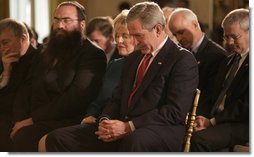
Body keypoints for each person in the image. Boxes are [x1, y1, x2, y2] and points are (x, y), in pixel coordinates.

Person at [42, 2, 198, 152]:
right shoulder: (134, 58)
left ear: (157, 29)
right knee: (59, 138)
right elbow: (117, 98)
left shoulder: (182, 59)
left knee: (134, 140)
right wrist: (105, 120)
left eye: (138, 36)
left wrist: (129, 126)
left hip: (159, 130)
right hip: (121, 126)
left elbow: (174, 111)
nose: (135, 42)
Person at [10, 1, 106, 151]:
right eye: (57, 20)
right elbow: (26, 87)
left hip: (68, 120)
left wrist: (33, 119)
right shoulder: (45, 51)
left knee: (25, 135)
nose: (60, 25)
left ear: (81, 25)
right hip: (37, 118)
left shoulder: (93, 54)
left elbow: (76, 99)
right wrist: (20, 118)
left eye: (66, 20)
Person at [38, 10, 135, 151]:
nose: (118, 41)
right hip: (100, 121)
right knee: (47, 140)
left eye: (125, 36)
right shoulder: (115, 65)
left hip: (122, 127)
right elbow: (99, 98)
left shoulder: (143, 67)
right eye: (117, 35)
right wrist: (90, 115)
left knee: (53, 138)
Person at [190, 8, 249, 152]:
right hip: (217, 119)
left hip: (241, 124)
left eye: (234, 37)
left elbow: (245, 107)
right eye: (226, 36)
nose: (229, 42)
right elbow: (212, 95)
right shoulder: (227, 60)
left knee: (198, 140)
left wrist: (212, 122)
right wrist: (201, 118)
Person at [168, 8, 228, 117]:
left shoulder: (217, 56)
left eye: (181, 32)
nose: (178, 38)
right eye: (175, 35)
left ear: (195, 24)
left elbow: (210, 98)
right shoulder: (178, 54)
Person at [0, 18, 38, 151]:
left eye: (5, 42)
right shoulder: (4, 59)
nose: (1, 48)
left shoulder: (40, 59)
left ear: (22, 39)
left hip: (26, 116)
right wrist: (6, 72)